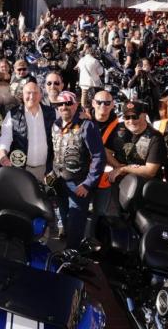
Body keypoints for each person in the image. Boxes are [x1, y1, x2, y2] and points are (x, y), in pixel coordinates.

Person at [49, 91, 106, 249]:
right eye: (60, 104)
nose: (64, 107)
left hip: (78, 183)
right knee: (64, 217)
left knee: (76, 222)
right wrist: (51, 173)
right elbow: (55, 151)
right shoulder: (55, 125)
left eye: (68, 103)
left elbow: (99, 157)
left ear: (76, 105)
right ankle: (65, 250)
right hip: (59, 181)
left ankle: (72, 257)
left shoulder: (87, 125)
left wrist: (88, 183)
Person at [0, 79, 55, 181]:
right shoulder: (12, 114)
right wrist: (2, 153)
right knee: (23, 196)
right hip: (21, 171)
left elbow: (67, 125)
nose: (32, 97)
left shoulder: (53, 113)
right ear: (22, 95)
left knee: (46, 195)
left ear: (41, 95)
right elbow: (5, 138)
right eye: (28, 93)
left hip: (47, 170)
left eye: (35, 93)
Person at [105, 100, 166, 182]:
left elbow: (150, 171)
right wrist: (118, 166)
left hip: (144, 183)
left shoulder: (155, 137)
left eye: (135, 117)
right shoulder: (118, 129)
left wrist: (125, 169)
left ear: (144, 116)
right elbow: (106, 151)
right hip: (120, 178)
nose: (131, 121)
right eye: (127, 117)